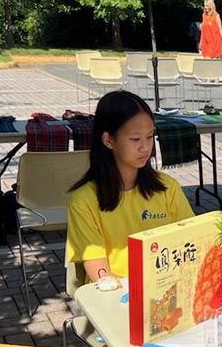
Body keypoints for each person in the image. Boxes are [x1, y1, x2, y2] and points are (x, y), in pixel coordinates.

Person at [67, 90, 194, 282]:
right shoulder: (84, 201)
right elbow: (99, 272)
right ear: (108, 140)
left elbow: (191, 239)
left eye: (150, 136)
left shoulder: (167, 187)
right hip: (116, 300)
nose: (145, 147)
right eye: (135, 139)